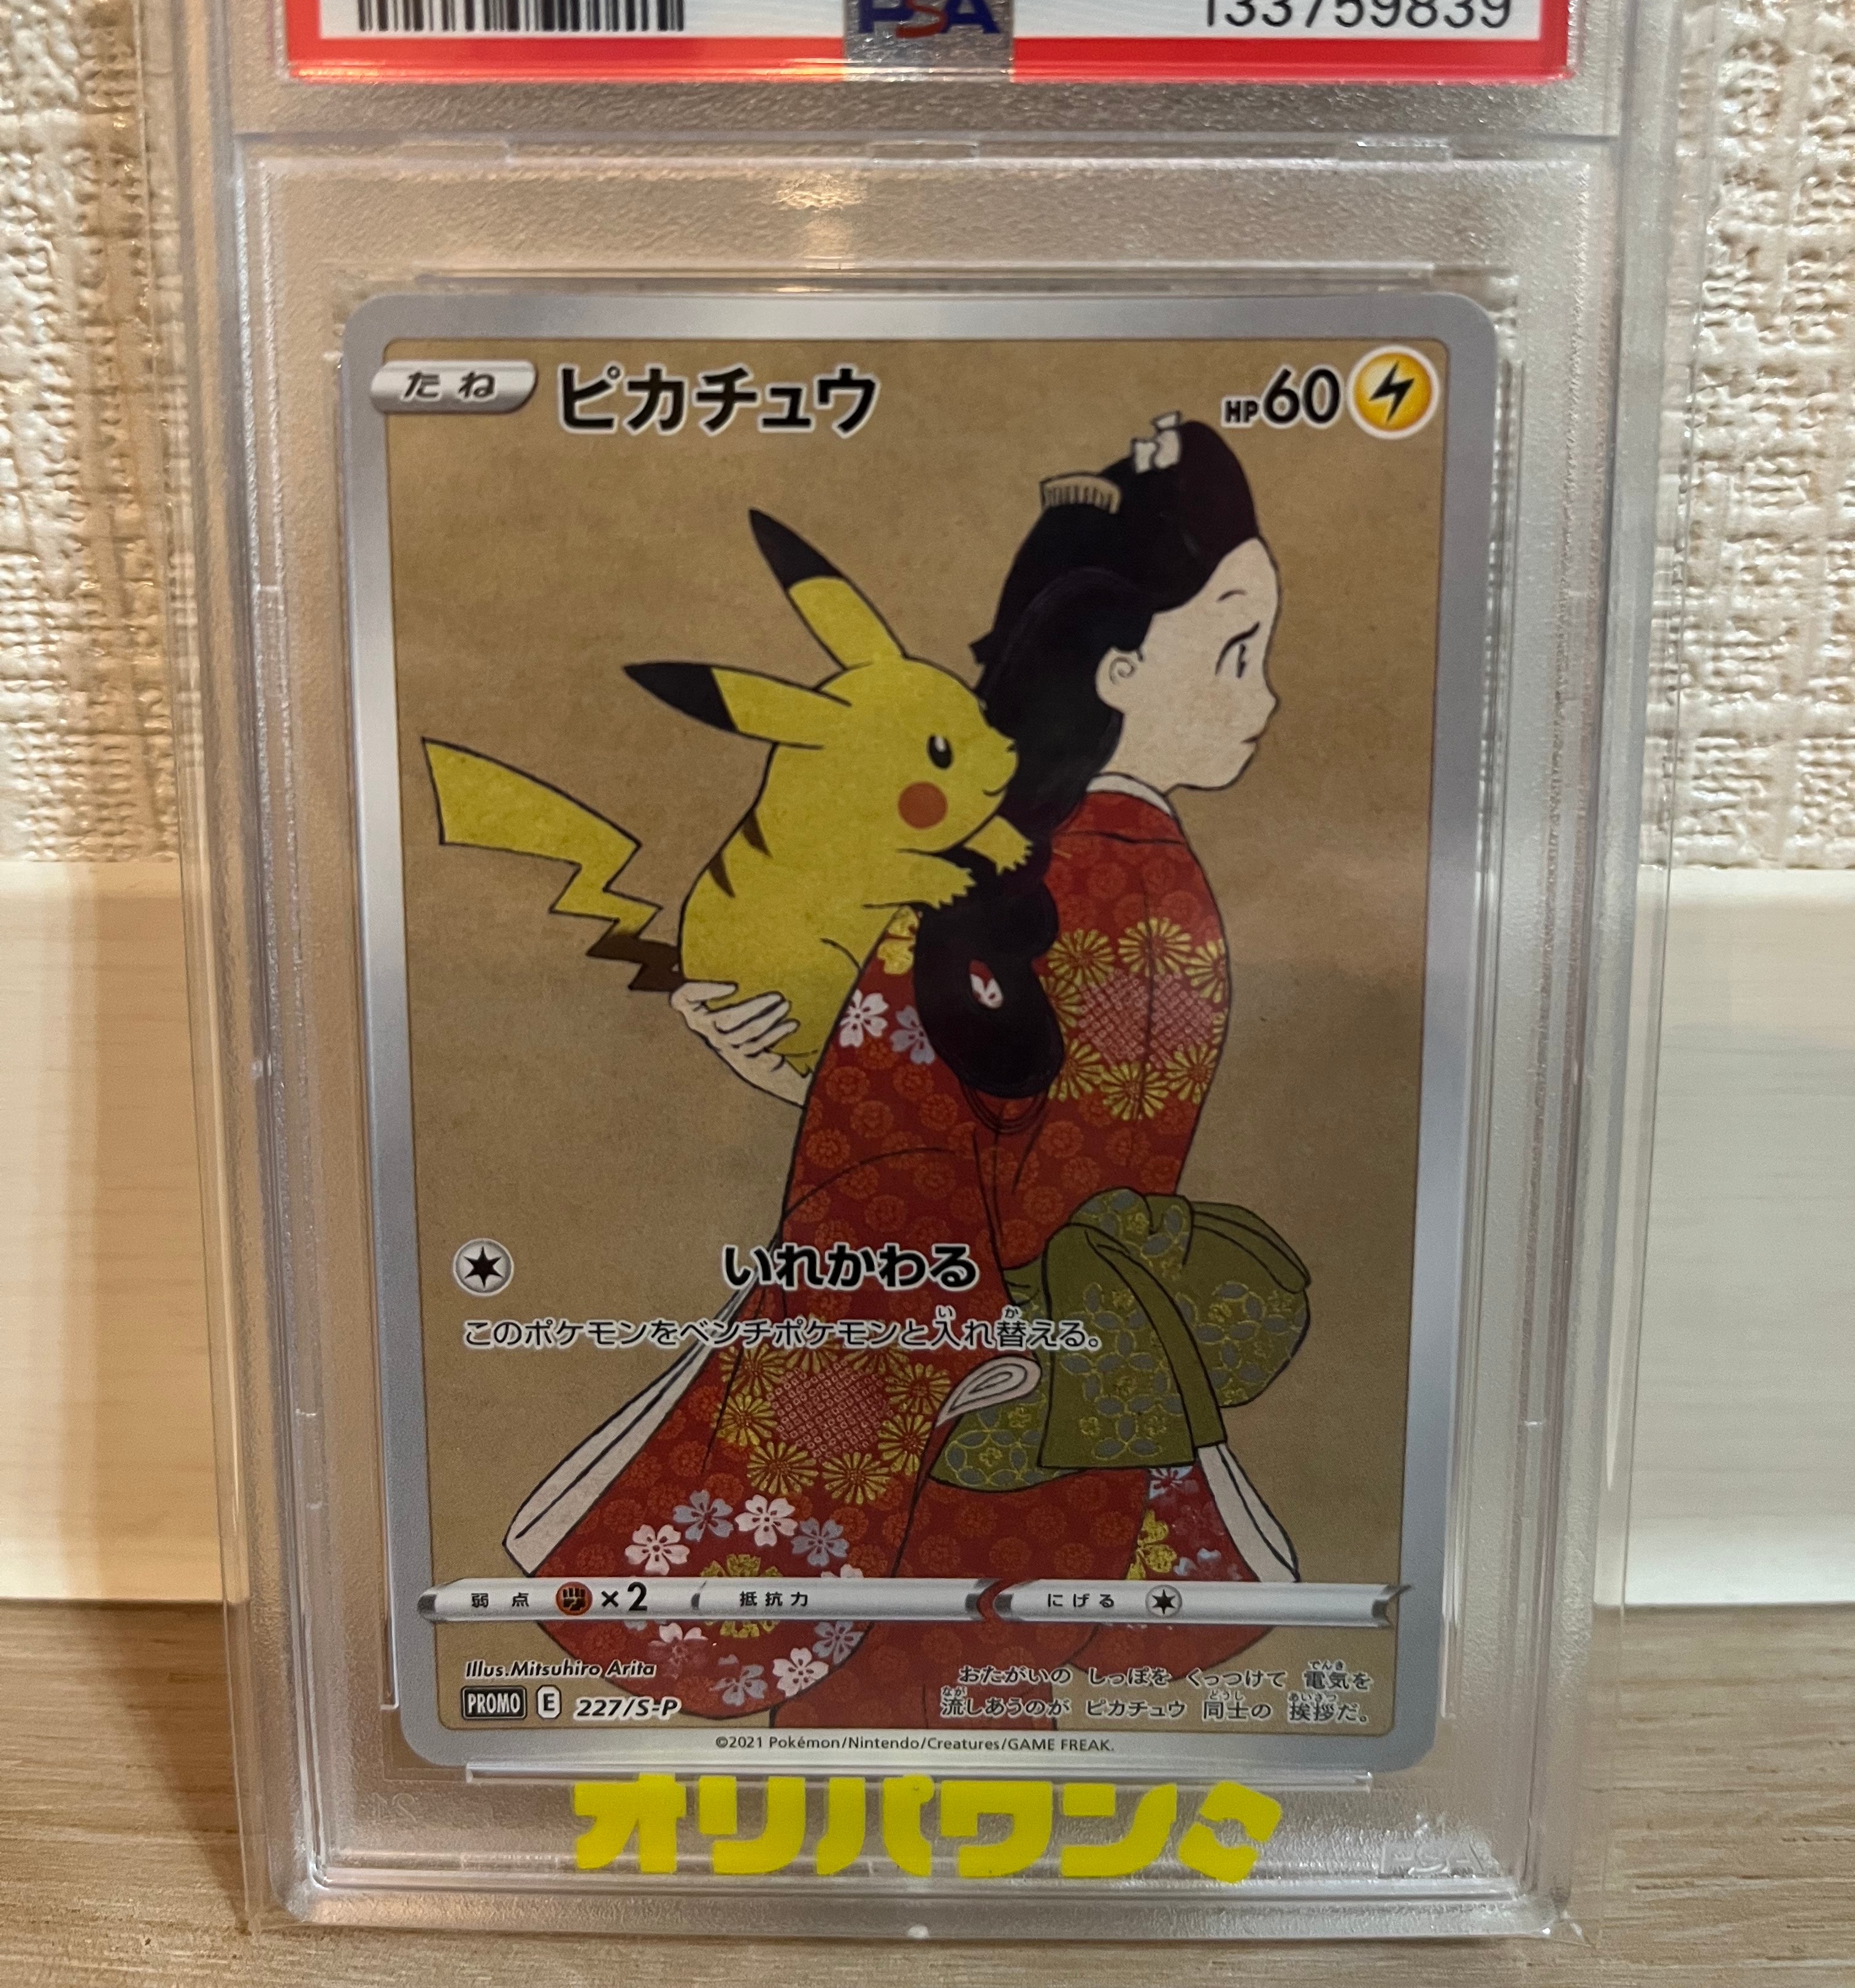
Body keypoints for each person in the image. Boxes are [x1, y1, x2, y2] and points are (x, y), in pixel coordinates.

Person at [508, 413, 1310, 1729]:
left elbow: (940, 1155)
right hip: (1072, 1379)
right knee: (968, 1715)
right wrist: (816, 1071)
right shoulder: (1127, 880)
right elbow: (1034, 1121)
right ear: (1118, 669)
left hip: (967, 1388)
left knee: (895, 1719)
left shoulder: (1038, 883)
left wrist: (853, 1112)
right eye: (1236, 650)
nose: (1264, 697)